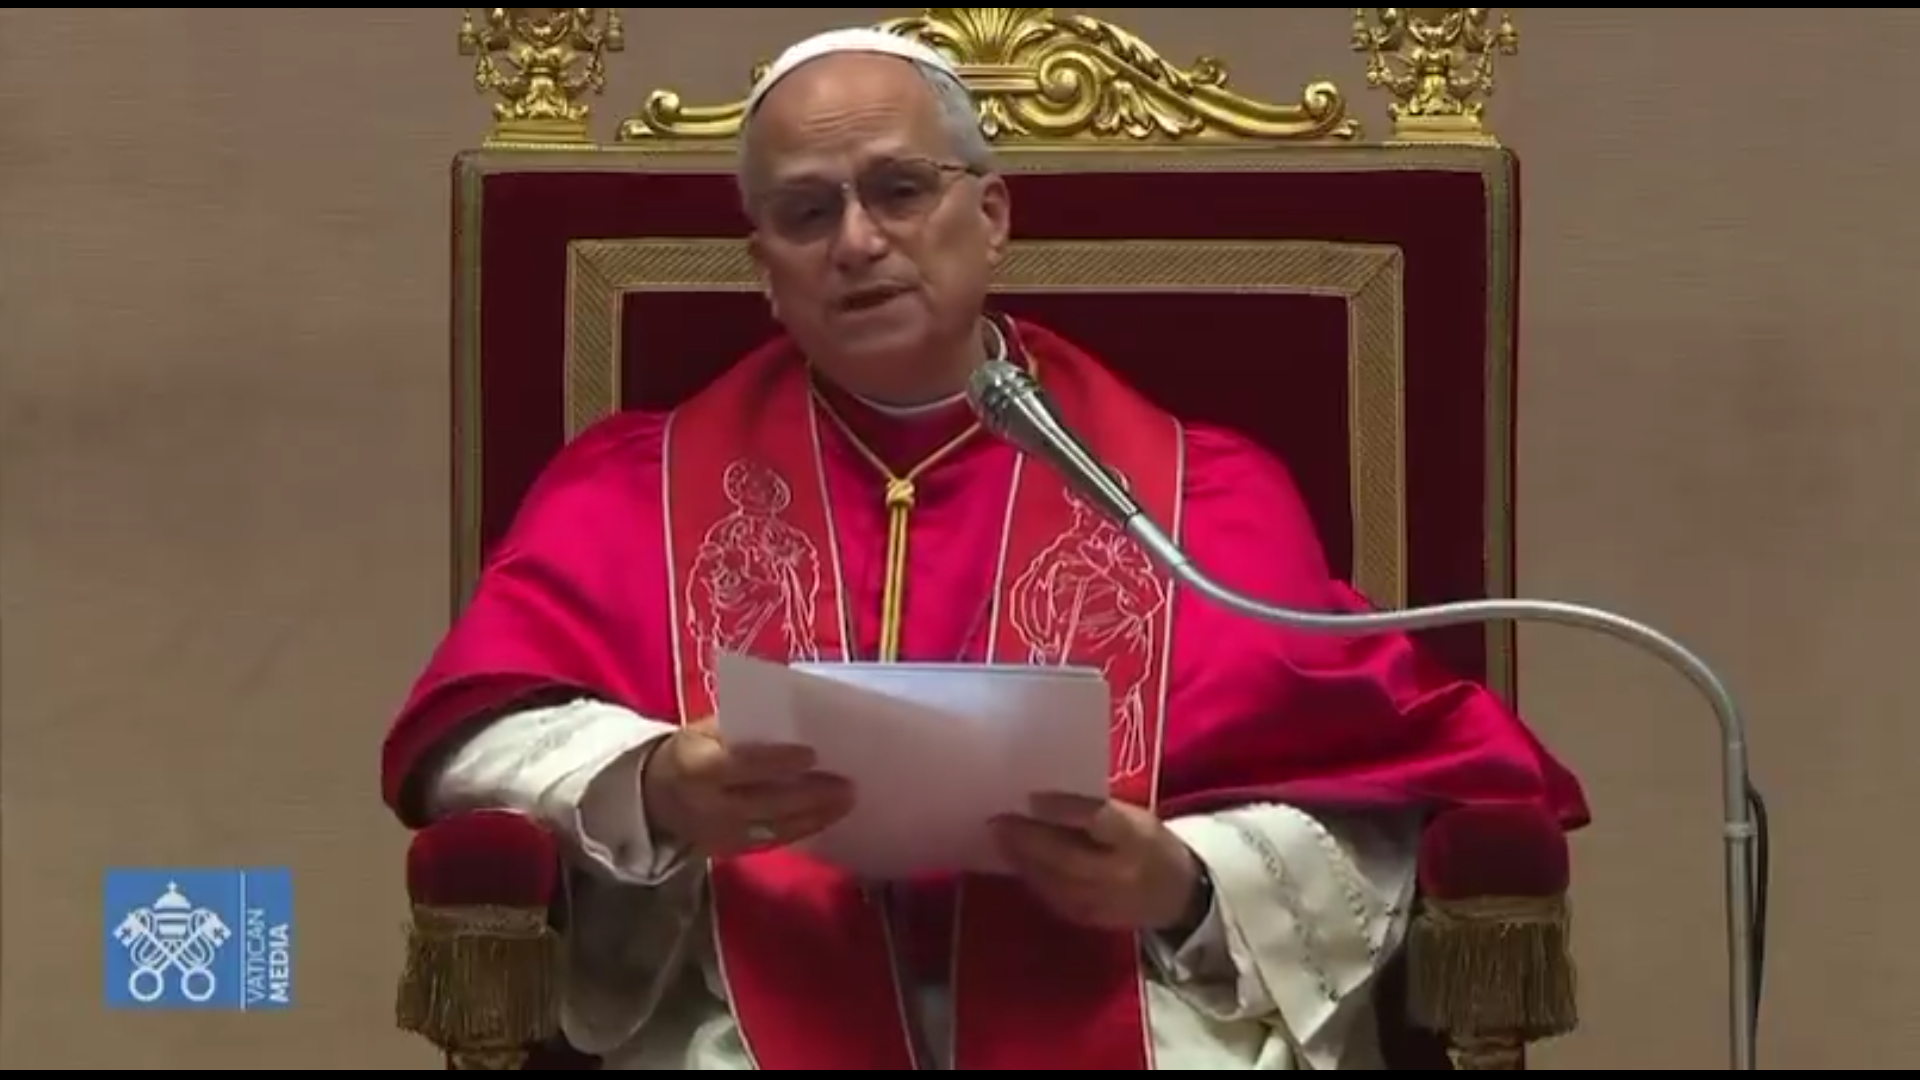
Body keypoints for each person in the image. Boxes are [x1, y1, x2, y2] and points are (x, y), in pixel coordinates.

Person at [381, 27, 1588, 1072]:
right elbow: (474, 739)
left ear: (991, 214)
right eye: (808, 211)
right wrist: (652, 784)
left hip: (1142, 1015)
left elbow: (1389, 795)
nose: (857, 241)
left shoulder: (1193, 499)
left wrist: (1184, 882)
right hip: (739, 1022)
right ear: (764, 268)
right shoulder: (627, 488)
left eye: (899, 190)